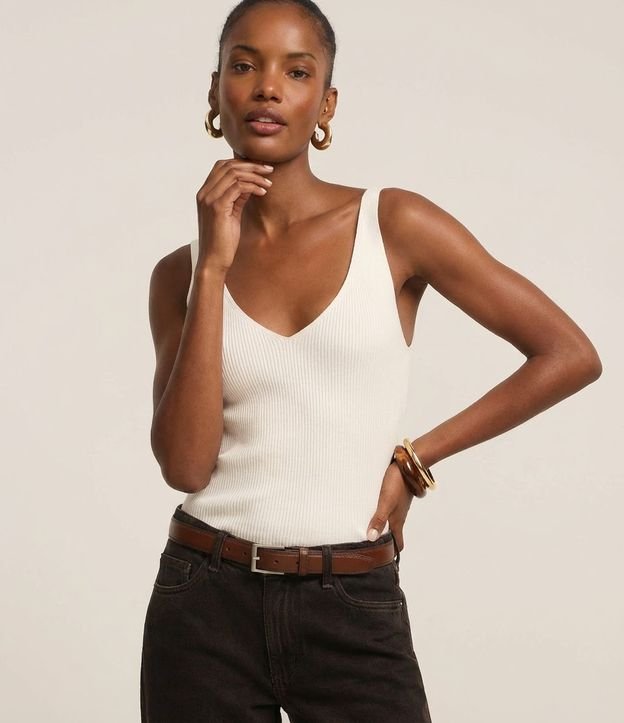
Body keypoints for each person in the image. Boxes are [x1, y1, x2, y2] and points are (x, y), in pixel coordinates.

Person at [139, 1, 603, 721]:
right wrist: (213, 270)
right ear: (214, 92)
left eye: (297, 72)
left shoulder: (393, 225)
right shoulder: (181, 273)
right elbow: (185, 466)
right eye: (244, 65)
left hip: (351, 600)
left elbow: (569, 354)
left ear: (326, 104)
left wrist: (416, 458)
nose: (268, 87)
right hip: (203, 604)